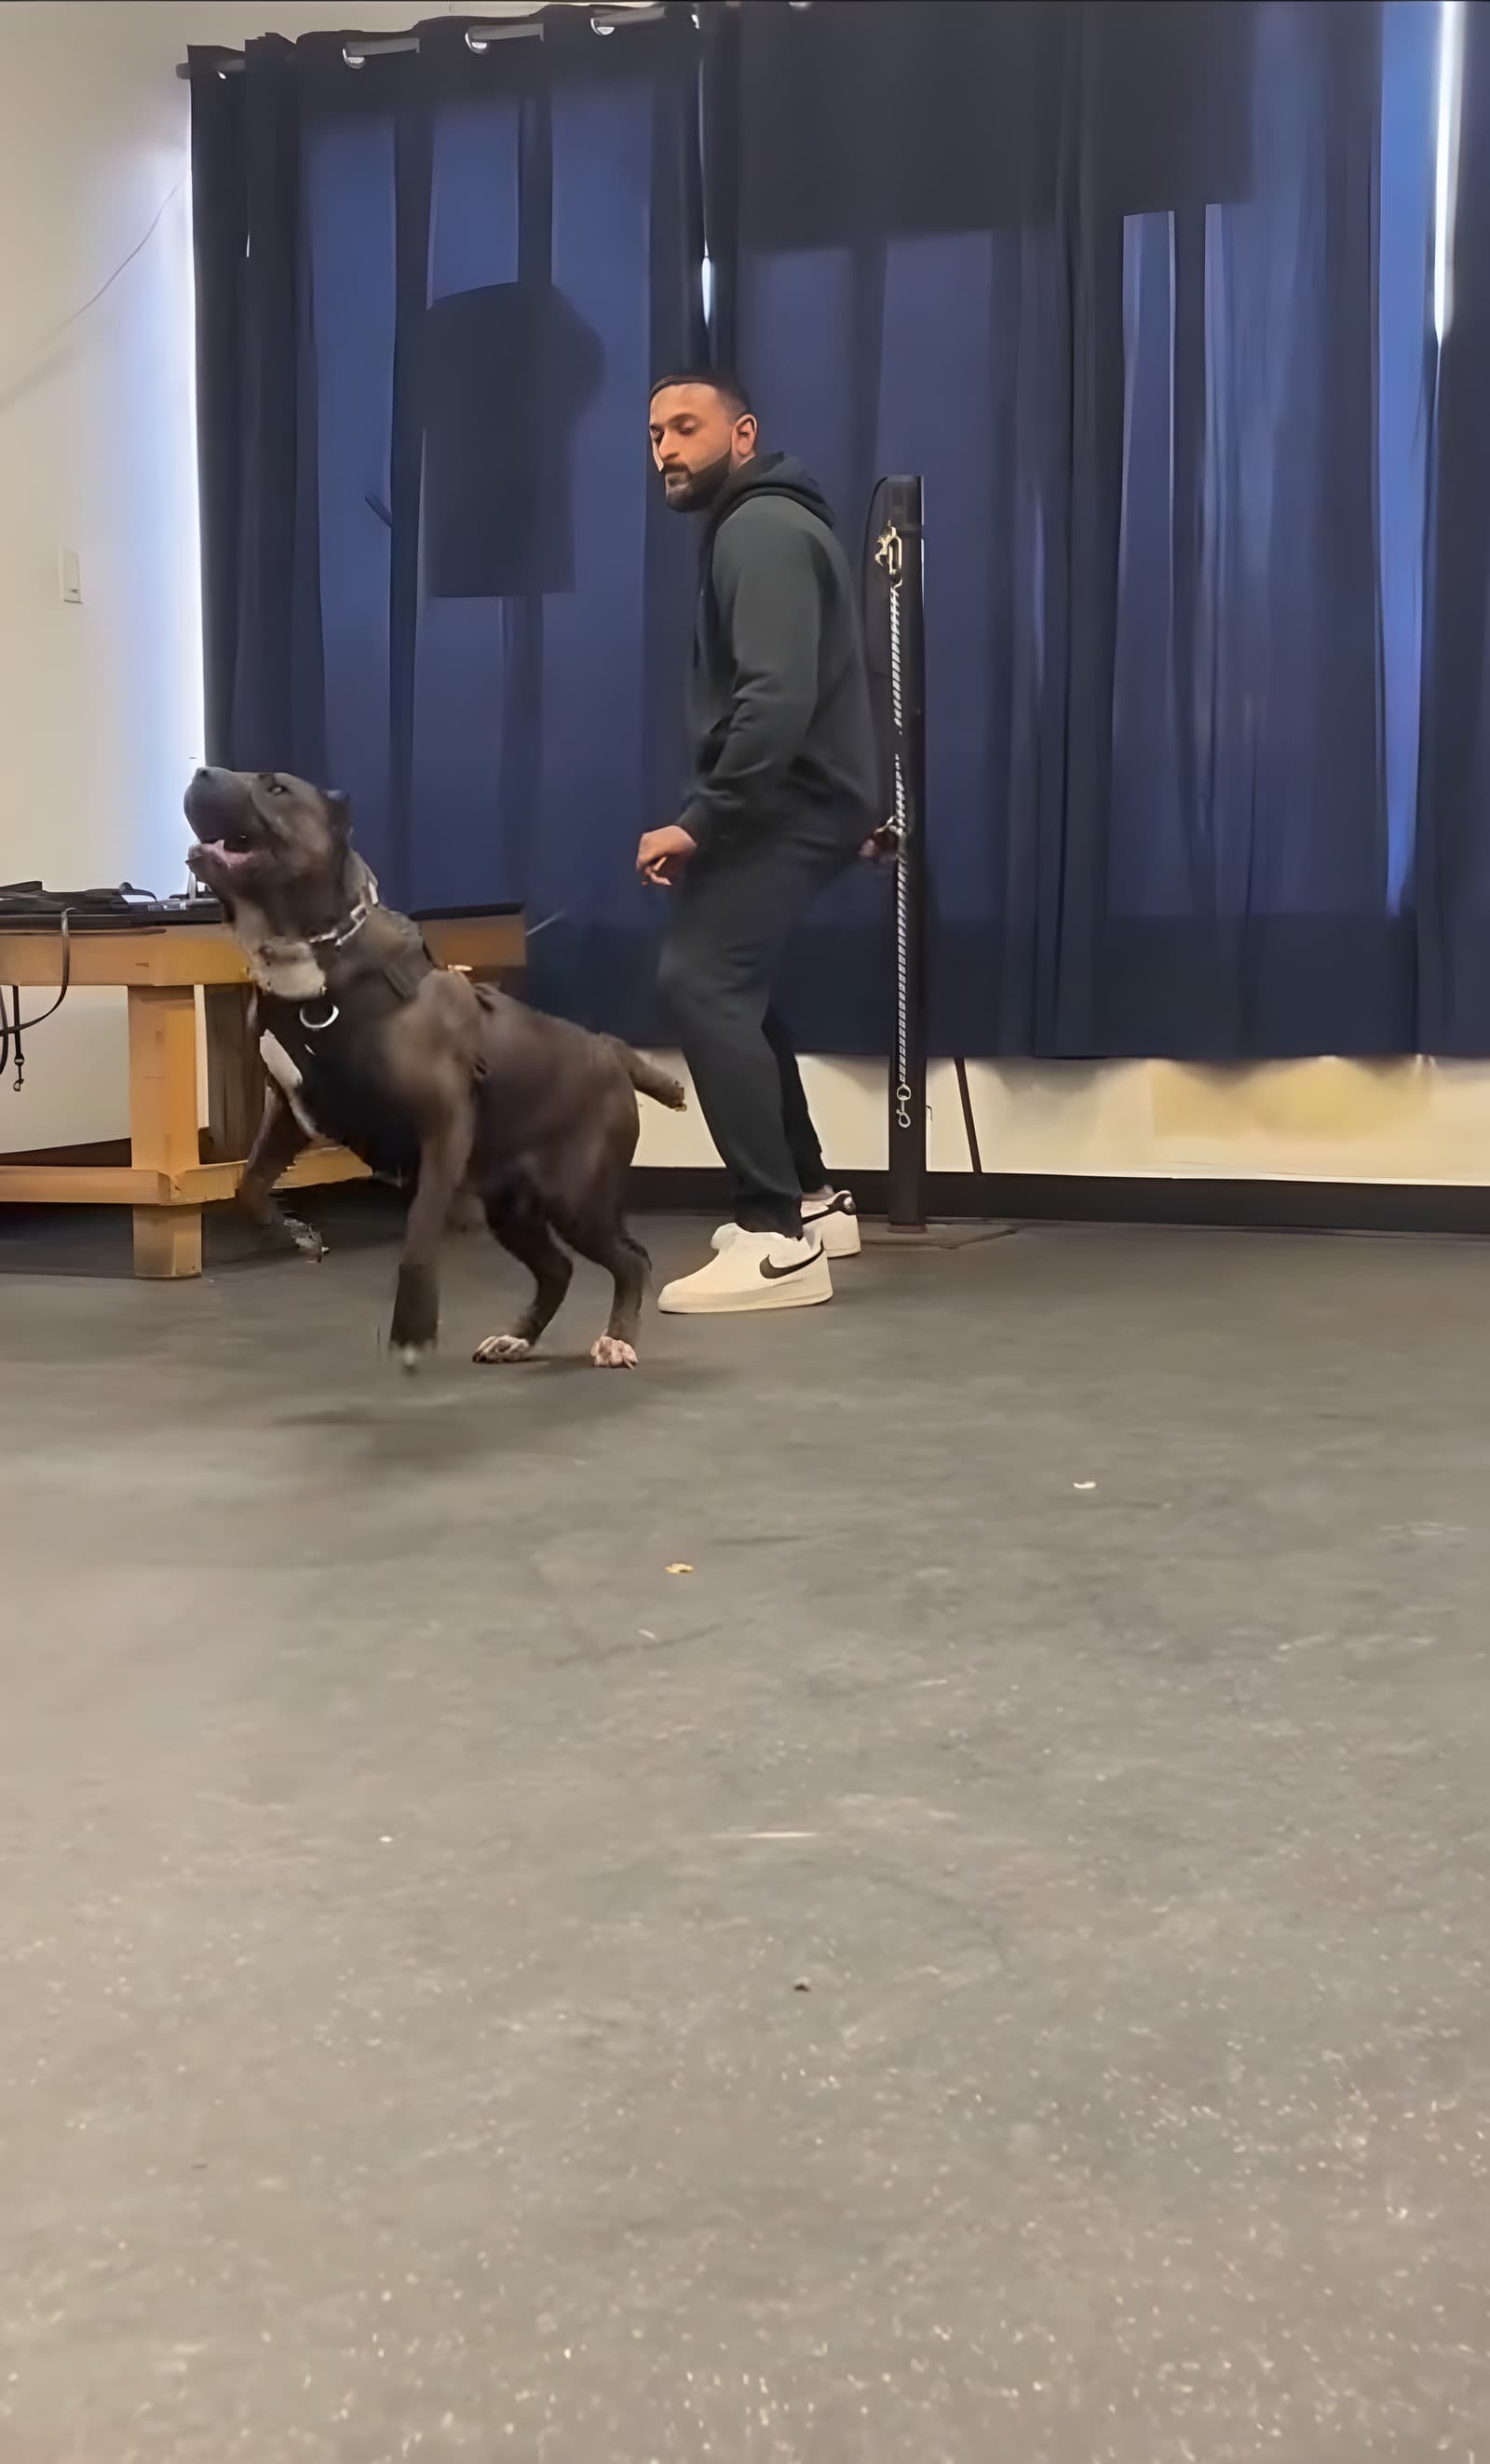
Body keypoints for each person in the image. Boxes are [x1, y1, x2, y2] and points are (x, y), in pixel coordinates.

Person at [638, 372, 879, 1318]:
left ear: (742, 436)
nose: (666, 449)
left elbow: (775, 698)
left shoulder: (761, 529)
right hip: (800, 798)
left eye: (685, 428)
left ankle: (777, 1237)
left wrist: (700, 820)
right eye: (655, 434)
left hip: (786, 799)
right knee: (729, 982)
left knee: (702, 980)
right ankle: (812, 1200)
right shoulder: (765, 524)